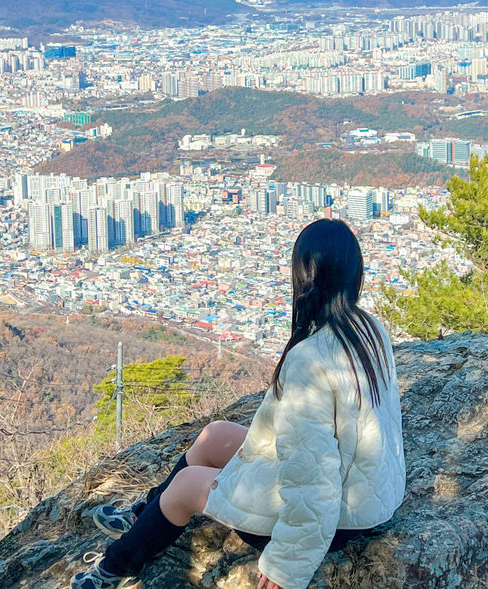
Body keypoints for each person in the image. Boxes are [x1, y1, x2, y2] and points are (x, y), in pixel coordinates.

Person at [71, 218, 406, 589]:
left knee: (186, 486)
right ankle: (145, 515)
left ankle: (114, 566)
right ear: (353, 274)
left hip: (340, 518)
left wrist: (286, 566)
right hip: (365, 494)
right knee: (213, 436)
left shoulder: (310, 360)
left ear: (304, 279)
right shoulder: (368, 327)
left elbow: (315, 481)